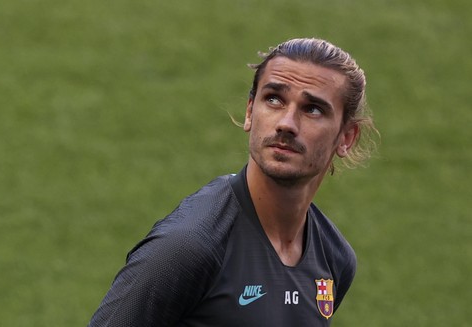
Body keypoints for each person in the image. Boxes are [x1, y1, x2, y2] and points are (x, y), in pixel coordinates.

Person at [88, 38, 378, 326]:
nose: (286, 123)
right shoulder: (188, 247)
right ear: (250, 111)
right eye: (274, 99)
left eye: (312, 109)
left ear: (346, 137)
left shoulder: (333, 259)